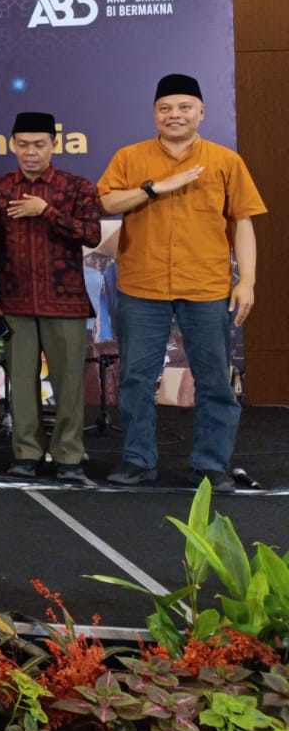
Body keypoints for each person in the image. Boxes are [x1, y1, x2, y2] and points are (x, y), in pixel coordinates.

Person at [97, 74, 266, 492]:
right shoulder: (130, 157)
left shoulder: (226, 161)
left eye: (184, 107)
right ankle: (138, 460)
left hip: (206, 286)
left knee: (214, 380)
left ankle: (210, 464)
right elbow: (107, 201)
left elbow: (243, 223)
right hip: (142, 286)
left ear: (201, 112)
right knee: (136, 378)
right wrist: (155, 188)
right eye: (166, 108)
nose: (175, 115)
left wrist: (247, 281)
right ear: (154, 114)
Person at [0, 112, 103, 486]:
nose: (30, 152)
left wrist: (46, 211)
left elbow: (92, 235)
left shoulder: (76, 186)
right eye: (23, 144)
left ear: (54, 144)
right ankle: (27, 453)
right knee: (21, 383)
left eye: (39, 144)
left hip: (64, 303)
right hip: (14, 302)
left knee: (69, 384)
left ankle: (68, 455)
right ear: (13, 145)